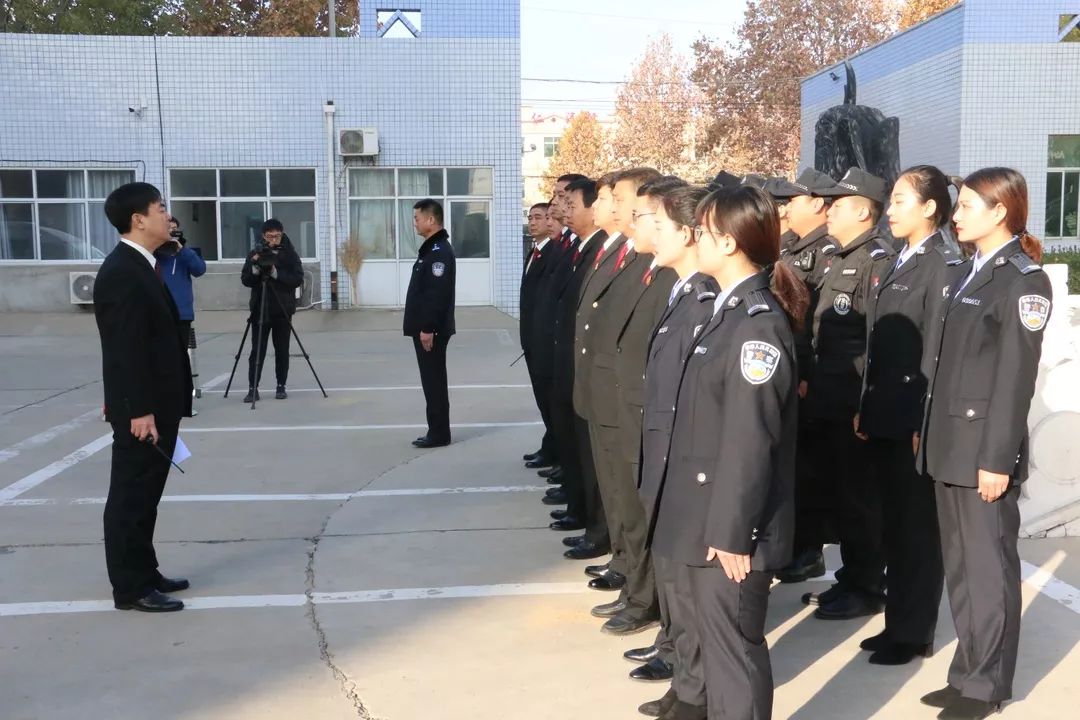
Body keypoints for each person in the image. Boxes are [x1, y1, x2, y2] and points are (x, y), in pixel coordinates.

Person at [652, 185, 807, 720]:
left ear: (732, 242)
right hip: (706, 515)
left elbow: (750, 438)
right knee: (718, 656)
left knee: (734, 655)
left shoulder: (757, 323)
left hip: (731, 529)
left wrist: (733, 531)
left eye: (708, 230)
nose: (698, 238)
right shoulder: (723, 310)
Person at [918, 168, 1052, 720]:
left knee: (989, 570)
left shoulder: (1023, 281)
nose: (956, 214)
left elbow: (1013, 382)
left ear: (1000, 211)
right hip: (949, 445)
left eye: (968, 205)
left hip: (983, 454)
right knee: (962, 567)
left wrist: (998, 459)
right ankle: (967, 672)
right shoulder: (967, 272)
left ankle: (987, 686)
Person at [855, 166, 962, 666]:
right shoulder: (899, 258)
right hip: (885, 414)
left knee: (917, 530)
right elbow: (879, 346)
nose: (890, 210)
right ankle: (898, 621)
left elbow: (936, 352)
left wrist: (925, 421)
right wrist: (865, 407)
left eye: (900, 201)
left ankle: (915, 631)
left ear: (929, 208)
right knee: (894, 525)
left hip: (913, 420)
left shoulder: (941, 263)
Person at [633, 182, 717, 718]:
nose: (647, 232)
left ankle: (696, 693)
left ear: (688, 234)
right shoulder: (681, 291)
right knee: (676, 592)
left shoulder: (706, 302)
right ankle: (685, 687)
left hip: (687, 471)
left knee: (692, 597)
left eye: (656, 224)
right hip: (664, 465)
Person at [93, 182, 193, 613]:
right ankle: (130, 587)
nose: (167, 215)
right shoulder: (121, 271)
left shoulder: (142, 265)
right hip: (143, 411)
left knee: (148, 494)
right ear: (138, 219)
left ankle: (145, 570)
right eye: (161, 207)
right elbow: (123, 348)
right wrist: (135, 408)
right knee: (131, 496)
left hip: (156, 402)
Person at [801, 168, 896, 620]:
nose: (829, 209)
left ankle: (867, 586)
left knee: (861, 500)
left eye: (838, 203)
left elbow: (878, 340)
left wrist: (866, 405)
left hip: (852, 405)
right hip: (829, 399)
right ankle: (851, 577)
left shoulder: (877, 259)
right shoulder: (838, 256)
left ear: (862, 210)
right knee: (842, 497)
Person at [770, 168, 840, 585]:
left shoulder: (827, 253)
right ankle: (798, 544)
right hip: (792, 371)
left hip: (808, 378)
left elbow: (814, 325)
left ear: (817, 204)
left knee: (810, 469)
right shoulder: (793, 248)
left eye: (793, 200)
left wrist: (806, 374)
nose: (787, 208)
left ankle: (809, 548)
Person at [545, 178, 607, 550]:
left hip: (593, 372)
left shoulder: (603, 250)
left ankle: (595, 526)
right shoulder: (577, 246)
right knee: (576, 447)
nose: (562, 209)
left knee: (595, 459)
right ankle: (581, 509)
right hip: (568, 360)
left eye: (570, 202)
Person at [404, 198, 457, 448]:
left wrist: (428, 328)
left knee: (434, 381)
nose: (414, 223)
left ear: (431, 220)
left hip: (431, 330)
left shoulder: (439, 252)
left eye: (417, 218)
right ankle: (435, 429)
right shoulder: (430, 249)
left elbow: (437, 295)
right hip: (426, 328)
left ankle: (439, 433)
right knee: (430, 380)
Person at [241, 219, 304, 402]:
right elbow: (246, 280)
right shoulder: (256, 253)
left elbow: (296, 279)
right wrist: (254, 267)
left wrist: (275, 273)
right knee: (257, 350)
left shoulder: (290, 254)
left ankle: (281, 386)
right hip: (260, 307)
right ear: (263, 236)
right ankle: (253, 388)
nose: (274, 240)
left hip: (283, 308)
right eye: (270, 236)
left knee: (282, 349)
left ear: (282, 233)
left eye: (277, 236)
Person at [520, 202, 558, 469]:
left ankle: (553, 450)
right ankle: (549, 445)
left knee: (551, 400)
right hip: (531, 338)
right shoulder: (534, 252)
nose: (532, 222)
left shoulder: (554, 253)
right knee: (542, 398)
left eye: (538, 217)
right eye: (530, 217)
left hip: (545, 339)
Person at [158, 217, 206, 414]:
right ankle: (161, 401)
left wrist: (181, 250)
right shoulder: (154, 253)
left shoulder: (186, 252)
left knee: (181, 360)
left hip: (182, 314)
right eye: (168, 228)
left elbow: (200, 269)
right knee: (160, 358)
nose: (172, 232)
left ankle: (185, 403)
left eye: (175, 229)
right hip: (159, 312)